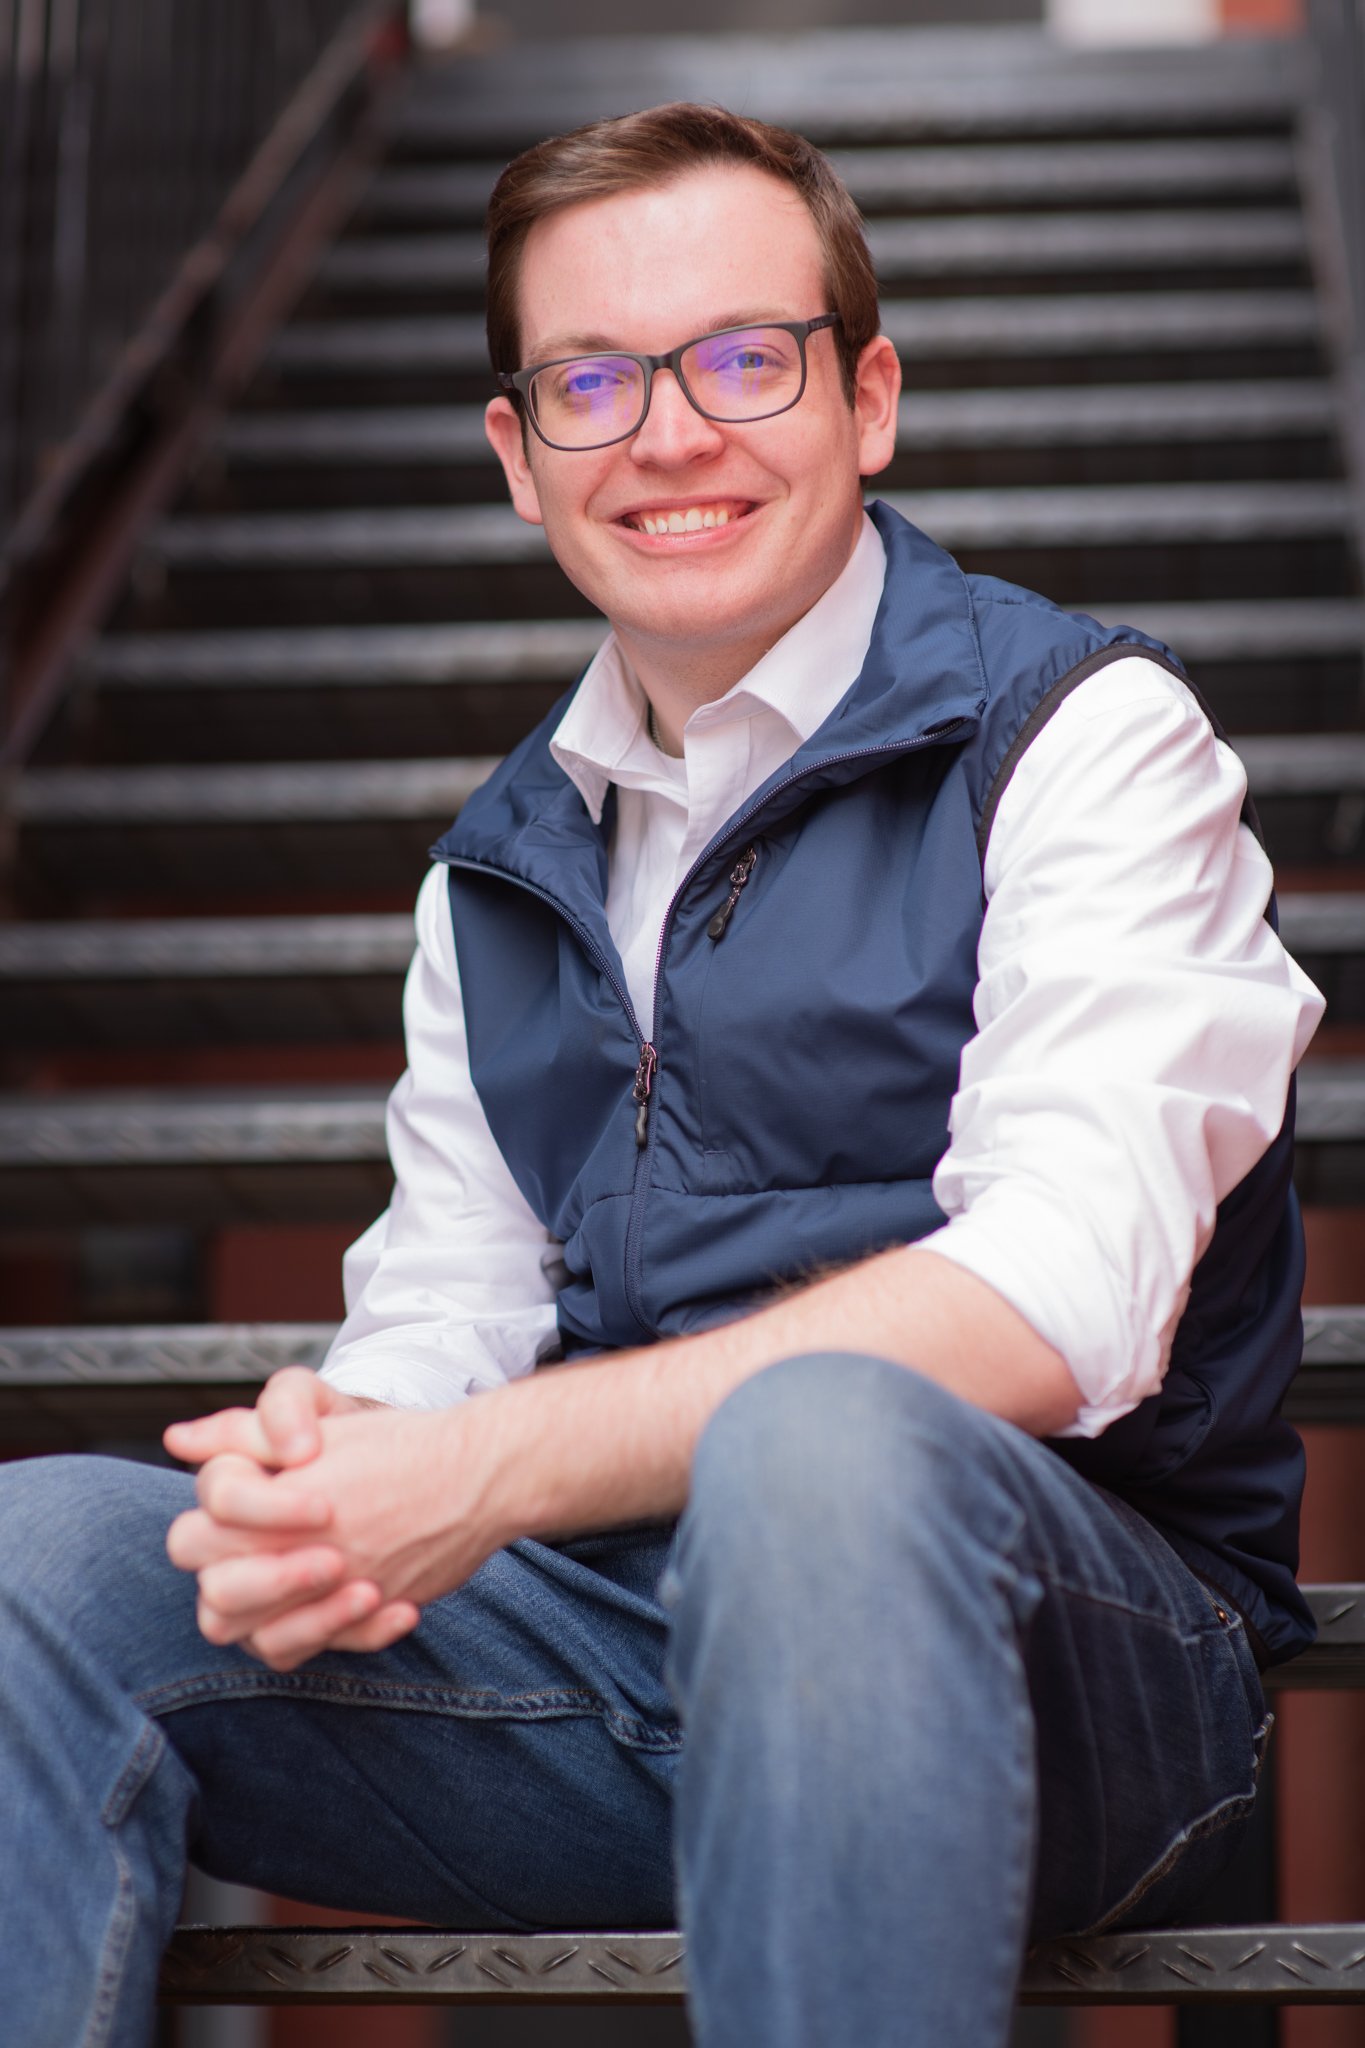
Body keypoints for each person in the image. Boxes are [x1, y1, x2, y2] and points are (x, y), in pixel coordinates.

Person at [0, 104, 1326, 2048]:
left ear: (867, 399)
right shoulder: (499, 868)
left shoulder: (1079, 739)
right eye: (592, 381)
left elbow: (1061, 1295)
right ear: (517, 456)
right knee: (34, 1564)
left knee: (823, 1445)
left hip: (1081, 1662)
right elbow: (448, 1310)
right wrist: (344, 1456)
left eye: (741, 359)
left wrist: (486, 1468)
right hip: (625, 1658)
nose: (669, 434)